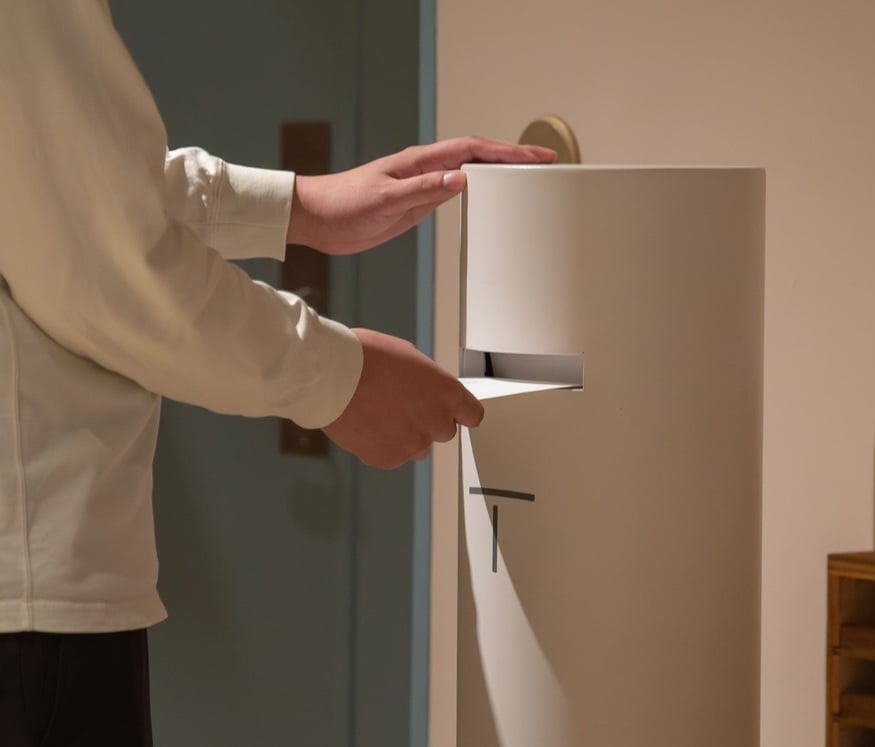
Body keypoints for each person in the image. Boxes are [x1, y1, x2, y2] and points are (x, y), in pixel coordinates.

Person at [0, 2, 556, 744]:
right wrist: (338, 379)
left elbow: (63, 177)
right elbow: (99, 260)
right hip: (30, 600)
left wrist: (297, 207)